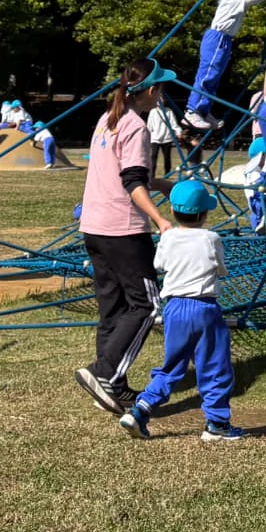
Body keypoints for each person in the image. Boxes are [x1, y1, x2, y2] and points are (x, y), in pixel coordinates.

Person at [73, 62, 177, 418]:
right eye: (161, 89)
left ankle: (112, 385)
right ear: (151, 91)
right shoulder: (136, 126)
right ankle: (104, 372)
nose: (161, 96)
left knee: (113, 307)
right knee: (147, 305)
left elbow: (128, 174)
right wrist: (161, 219)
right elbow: (132, 182)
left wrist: (164, 185)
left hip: (94, 225)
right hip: (123, 229)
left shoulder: (109, 119)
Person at [119, 180, 241, 442]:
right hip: (204, 307)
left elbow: (159, 264)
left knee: (172, 365)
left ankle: (141, 409)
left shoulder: (168, 237)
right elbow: (220, 268)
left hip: (174, 308)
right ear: (204, 214)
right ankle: (217, 424)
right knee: (215, 365)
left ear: (173, 212)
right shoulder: (211, 238)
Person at [184, 0, 266, 132]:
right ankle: (192, 110)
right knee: (208, 74)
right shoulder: (229, 1)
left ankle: (204, 110)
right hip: (217, 38)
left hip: (225, 40)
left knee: (215, 77)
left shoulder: (237, 0)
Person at [145, 95, 180, 181]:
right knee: (153, 157)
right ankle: (152, 175)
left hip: (166, 138)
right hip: (155, 139)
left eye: (162, 100)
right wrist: (147, 136)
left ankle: (167, 174)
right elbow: (149, 126)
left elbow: (174, 125)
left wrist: (179, 132)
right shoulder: (153, 112)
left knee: (167, 157)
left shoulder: (169, 112)